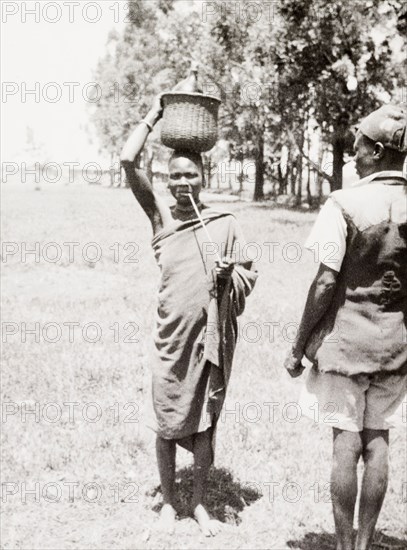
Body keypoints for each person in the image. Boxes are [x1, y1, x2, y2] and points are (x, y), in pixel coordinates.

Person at [120, 94, 257, 536]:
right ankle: (168, 501)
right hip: (170, 339)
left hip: (208, 340)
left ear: (203, 177)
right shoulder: (161, 218)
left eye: (190, 175)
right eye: (174, 175)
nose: (182, 183)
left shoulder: (225, 223)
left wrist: (227, 273)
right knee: (165, 422)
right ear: (166, 178)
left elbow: (248, 278)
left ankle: (198, 503)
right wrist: (154, 115)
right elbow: (127, 160)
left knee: (203, 426)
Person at [285, 104, 407, 550]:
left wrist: (297, 347)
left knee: (345, 445)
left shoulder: (344, 203)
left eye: (357, 147)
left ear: (375, 151)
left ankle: (342, 547)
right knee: (379, 444)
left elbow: (324, 282)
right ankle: (366, 542)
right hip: (395, 349)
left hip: (344, 347)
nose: (352, 155)